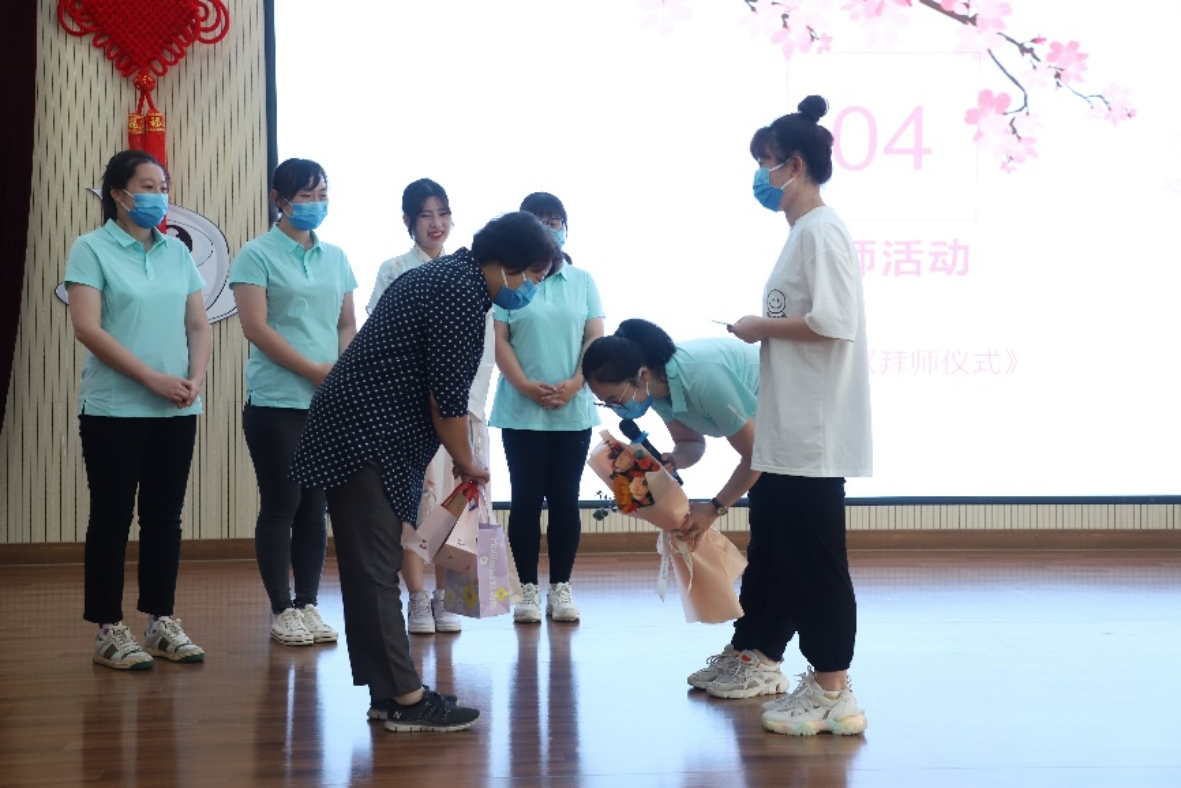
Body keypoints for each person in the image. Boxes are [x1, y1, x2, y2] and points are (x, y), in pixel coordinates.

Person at [289, 211, 559, 732]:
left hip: (368, 431)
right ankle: (406, 699)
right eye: (533, 275)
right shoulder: (459, 291)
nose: (532, 287)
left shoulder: (450, 278)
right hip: (365, 435)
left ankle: (388, 692)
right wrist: (467, 461)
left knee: (372, 566)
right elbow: (446, 398)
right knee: (375, 568)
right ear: (507, 264)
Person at [726, 95, 873, 736]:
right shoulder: (801, 233)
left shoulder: (821, 230)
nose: (762, 175)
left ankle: (834, 690)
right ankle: (792, 671)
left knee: (818, 564)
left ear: (796, 165)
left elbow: (834, 322)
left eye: (768, 161)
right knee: (787, 556)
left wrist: (760, 327)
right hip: (790, 432)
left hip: (814, 432)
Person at [65, 149, 211, 670]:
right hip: (113, 408)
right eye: (147, 187)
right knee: (111, 517)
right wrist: (152, 379)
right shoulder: (90, 248)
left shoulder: (176, 253)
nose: (158, 196)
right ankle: (108, 629)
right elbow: (87, 328)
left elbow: (198, 324)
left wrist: (195, 380)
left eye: (162, 187)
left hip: (176, 410)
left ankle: (160, 621)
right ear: (118, 193)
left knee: (164, 518)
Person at [229, 158, 357, 647]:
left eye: (322, 195)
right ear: (278, 200)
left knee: (315, 506)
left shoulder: (336, 257)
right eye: (305, 196)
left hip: (326, 401)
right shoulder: (256, 254)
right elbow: (256, 327)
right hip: (276, 400)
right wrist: (312, 370)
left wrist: (341, 374)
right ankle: (282, 609)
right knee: (282, 503)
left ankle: (307, 604)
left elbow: (345, 323)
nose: (316, 204)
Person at [366, 178, 486, 636]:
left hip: (463, 408)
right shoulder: (394, 269)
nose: (437, 223)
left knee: (456, 504)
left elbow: (483, 351)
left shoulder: (470, 273)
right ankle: (416, 596)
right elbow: (381, 339)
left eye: (443, 213)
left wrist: (472, 408)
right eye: (426, 215)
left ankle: (446, 596)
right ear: (408, 221)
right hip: (412, 413)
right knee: (417, 504)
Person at [489, 193, 605, 624]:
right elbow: (499, 339)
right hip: (521, 409)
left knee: (564, 499)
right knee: (524, 499)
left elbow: (595, 337)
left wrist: (576, 383)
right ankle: (527, 591)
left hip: (572, 409)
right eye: (540, 222)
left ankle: (560, 587)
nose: (550, 229)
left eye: (556, 221)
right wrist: (524, 384)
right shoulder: (509, 281)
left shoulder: (583, 280)